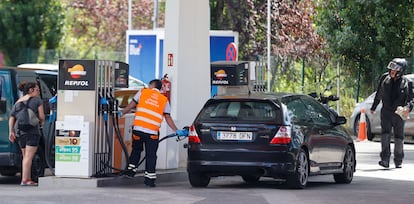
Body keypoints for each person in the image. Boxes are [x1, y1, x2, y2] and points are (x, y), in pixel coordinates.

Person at [119, 79, 188, 187]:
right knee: (151, 155)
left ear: (151, 85)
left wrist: (120, 113)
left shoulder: (143, 92)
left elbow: (131, 105)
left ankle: (130, 171)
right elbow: (168, 117)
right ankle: (149, 180)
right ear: (160, 88)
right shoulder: (163, 100)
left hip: (138, 129)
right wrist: (176, 130)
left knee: (136, 150)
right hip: (152, 133)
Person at [370, 58, 412, 168]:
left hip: (399, 114)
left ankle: (398, 159)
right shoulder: (385, 78)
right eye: (391, 69)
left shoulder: (407, 83)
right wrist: (374, 106)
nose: (392, 71)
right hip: (386, 112)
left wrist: (408, 108)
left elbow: (411, 100)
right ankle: (385, 159)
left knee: (399, 137)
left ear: (401, 71)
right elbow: (379, 93)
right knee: (385, 135)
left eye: (395, 69)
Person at [9, 82, 44, 186]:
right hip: (32, 131)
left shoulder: (18, 102)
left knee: (25, 156)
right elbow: (41, 117)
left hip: (20, 132)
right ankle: (25, 180)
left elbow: (12, 118)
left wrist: (11, 131)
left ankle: (27, 178)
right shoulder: (37, 101)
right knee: (29, 157)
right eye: (37, 90)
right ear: (31, 90)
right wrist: (41, 122)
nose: (38, 92)